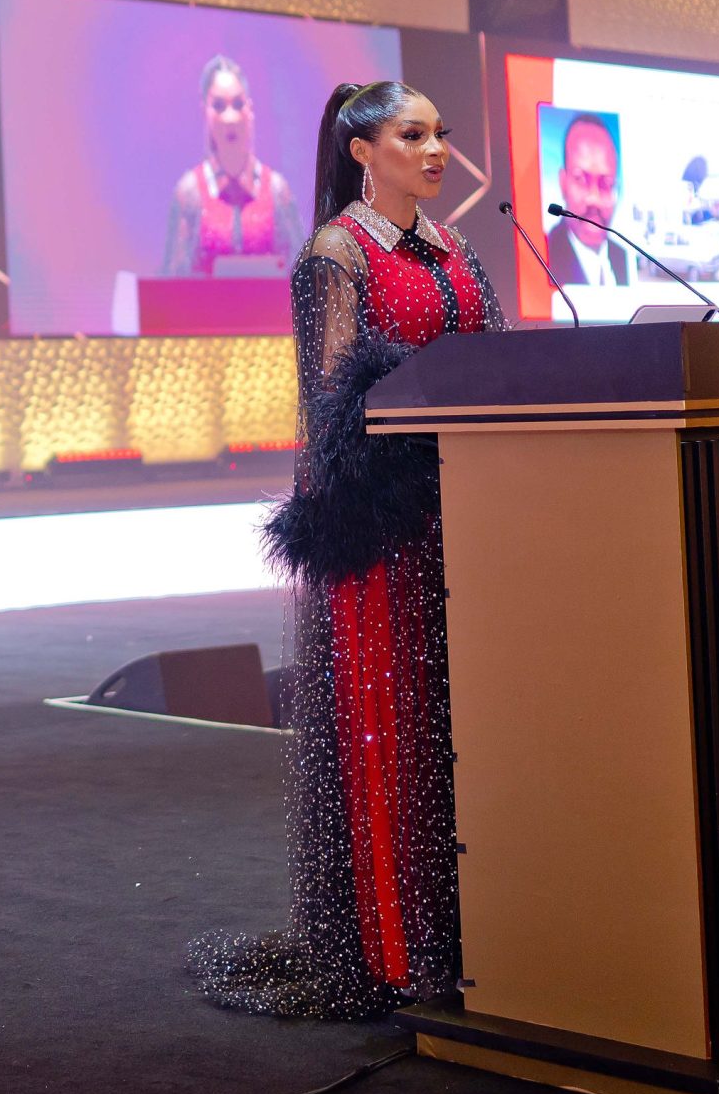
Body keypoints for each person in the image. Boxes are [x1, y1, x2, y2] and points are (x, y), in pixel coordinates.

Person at [189, 80, 506, 1020]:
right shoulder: (334, 253)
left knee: (467, 736)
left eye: (442, 132)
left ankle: (486, 929)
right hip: (382, 535)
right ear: (363, 151)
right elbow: (334, 407)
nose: (437, 148)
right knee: (397, 733)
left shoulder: (459, 247)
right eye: (415, 134)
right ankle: (400, 946)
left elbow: (497, 368)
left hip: (476, 530)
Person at [161, 55, 304, 277]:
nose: (230, 117)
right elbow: (173, 282)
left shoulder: (276, 189)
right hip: (205, 311)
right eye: (218, 106)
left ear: (250, 109)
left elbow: (300, 277)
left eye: (238, 104)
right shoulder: (189, 192)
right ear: (205, 111)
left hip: (267, 311)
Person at [544, 112, 629, 286]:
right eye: (581, 180)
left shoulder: (624, 257)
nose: (594, 199)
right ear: (563, 183)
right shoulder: (542, 253)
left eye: (606, 184)